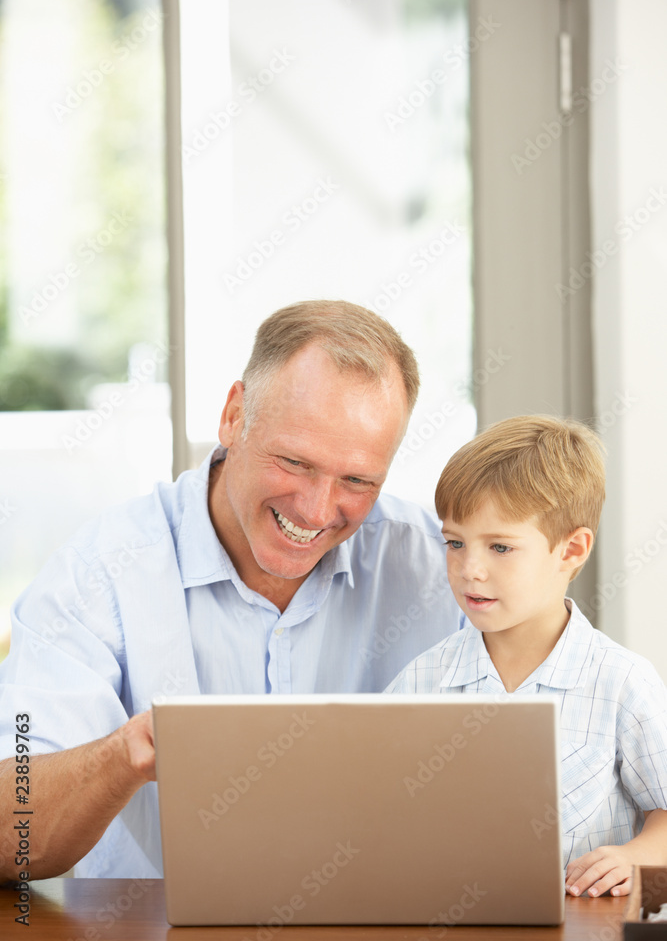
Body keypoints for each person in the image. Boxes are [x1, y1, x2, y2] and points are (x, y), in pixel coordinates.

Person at [0, 300, 463, 881]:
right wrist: (127, 753)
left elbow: (578, 728)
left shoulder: (441, 570)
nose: (318, 511)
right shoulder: (98, 572)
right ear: (234, 415)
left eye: (357, 480)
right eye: (294, 462)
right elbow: (11, 836)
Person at [387, 415, 667, 899]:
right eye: (454, 542)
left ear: (571, 550)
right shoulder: (422, 680)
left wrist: (632, 856)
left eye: (500, 547)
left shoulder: (621, 682)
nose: (469, 570)